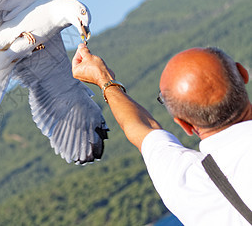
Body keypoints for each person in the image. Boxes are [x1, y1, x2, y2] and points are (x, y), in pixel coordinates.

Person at [71, 44, 252, 225]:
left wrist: (103, 78)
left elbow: (141, 127)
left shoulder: (186, 182)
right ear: (243, 74)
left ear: (184, 124)